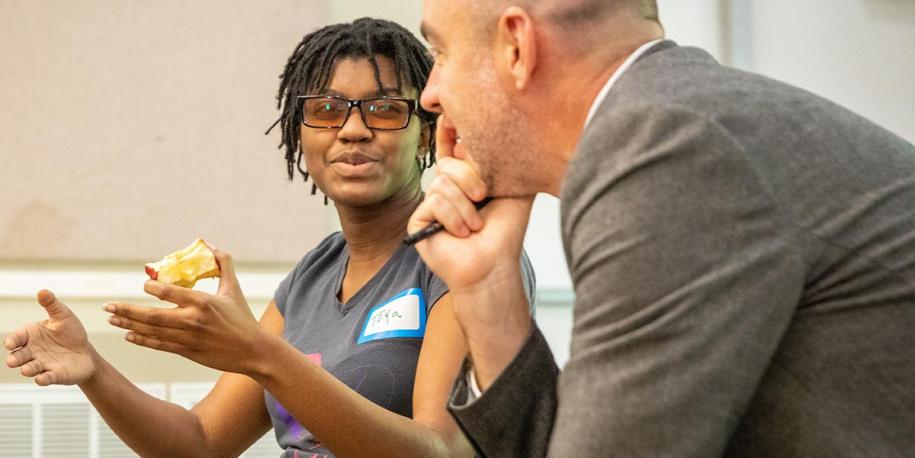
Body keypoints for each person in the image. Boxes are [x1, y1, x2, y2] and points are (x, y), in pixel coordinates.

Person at [4, 18, 534, 457]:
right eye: (326, 111)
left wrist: (261, 354)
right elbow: (201, 442)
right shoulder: (313, 273)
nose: (353, 130)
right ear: (299, 136)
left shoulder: (463, 256)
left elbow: (437, 452)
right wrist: (93, 369)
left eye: (385, 109)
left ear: (425, 133)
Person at [407, 0, 915, 456]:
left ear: (516, 46)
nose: (431, 94)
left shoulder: (666, 146)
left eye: (441, 52)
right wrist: (490, 287)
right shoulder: (679, 118)